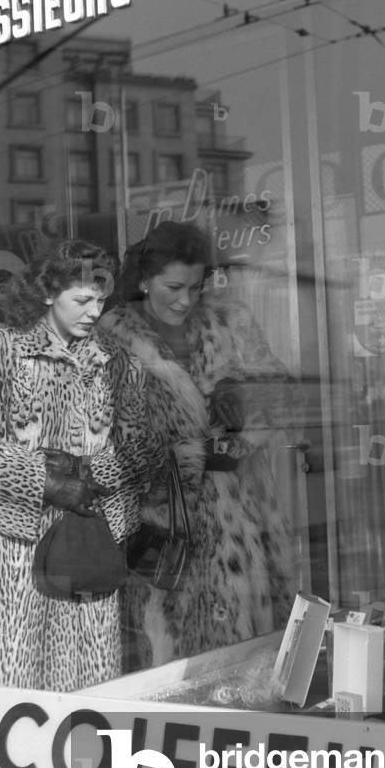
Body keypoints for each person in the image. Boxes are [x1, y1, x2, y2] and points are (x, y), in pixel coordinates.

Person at [0, 239, 158, 768]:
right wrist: (45, 477)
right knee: (13, 671)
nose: (95, 312)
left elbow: (145, 449)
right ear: (47, 294)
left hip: (89, 542)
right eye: (83, 298)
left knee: (90, 675)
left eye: (101, 300)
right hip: (15, 550)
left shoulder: (116, 364)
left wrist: (90, 475)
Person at [99, 220, 297, 668]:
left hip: (244, 526)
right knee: (178, 668)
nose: (185, 299)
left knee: (252, 665)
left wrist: (243, 391)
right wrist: (197, 457)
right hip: (168, 534)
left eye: (195, 285)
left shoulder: (229, 319)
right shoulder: (113, 338)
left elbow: (282, 389)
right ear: (145, 279)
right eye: (173, 286)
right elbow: (109, 445)